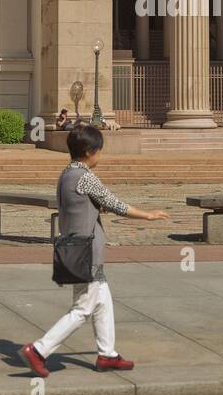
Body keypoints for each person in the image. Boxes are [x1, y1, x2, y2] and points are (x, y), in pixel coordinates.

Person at [19, 124, 168, 378]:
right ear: (89, 151)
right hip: (85, 254)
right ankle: (39, 350)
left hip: (78, 251)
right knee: (82, 309)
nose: (101, 155)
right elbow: (114, 203)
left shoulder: (67, 173)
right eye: (99, 150)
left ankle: (107, 355)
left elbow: (90, 206)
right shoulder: (85, 177)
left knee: (102, 302)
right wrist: (149, 216)